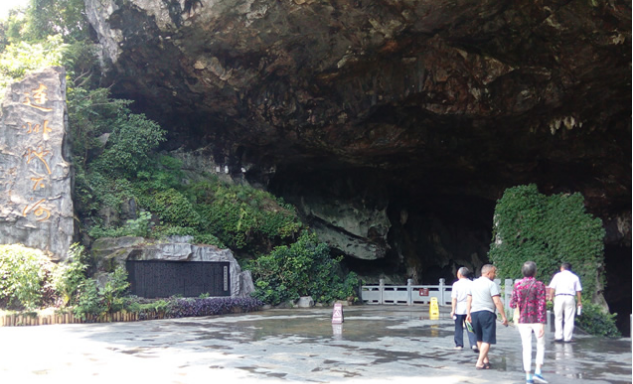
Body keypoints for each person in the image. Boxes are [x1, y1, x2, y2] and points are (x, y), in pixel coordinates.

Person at [510, 261, 548, 384]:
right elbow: (542, 304)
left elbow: (512, 303)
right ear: (535, 272)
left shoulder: (518, 285)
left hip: (523, 319)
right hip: (537, 319)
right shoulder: (539, 285)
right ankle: (538, 372)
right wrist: (542, 323)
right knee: (540, 345)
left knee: (526, 347)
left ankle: (528, 377)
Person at [466, 264, 508, 370]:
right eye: (494, 272)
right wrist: (503, 316)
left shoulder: (473, 284)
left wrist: (468, 314)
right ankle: (480, 361)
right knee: (487, 339)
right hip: (487, 313)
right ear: (488, 273)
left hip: (474, 312)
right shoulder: (491, 284)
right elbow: (497, 301)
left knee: (479, 338)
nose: (495, 275)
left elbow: (469, 300)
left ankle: (485, 360)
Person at [547, 262, 582, 343]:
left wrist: (550, 297)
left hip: (559, 297)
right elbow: (578, 290)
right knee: (569, 319)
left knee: (558, 317)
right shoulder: (575, 277)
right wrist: (579, 301)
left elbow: (552, 287)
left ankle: (558, 336)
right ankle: (567, 338)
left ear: (562, 268)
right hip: (570, 297)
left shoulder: (557, 275)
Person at [450, 267, 479, 352]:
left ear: (459, 274)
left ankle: (459, 345)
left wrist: (453, 310)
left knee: (458, 327)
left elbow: (454, 298)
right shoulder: (472, 283)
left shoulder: (456, 284)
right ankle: (474, 344)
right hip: (470, 308)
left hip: (459, 308)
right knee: (470, 326)